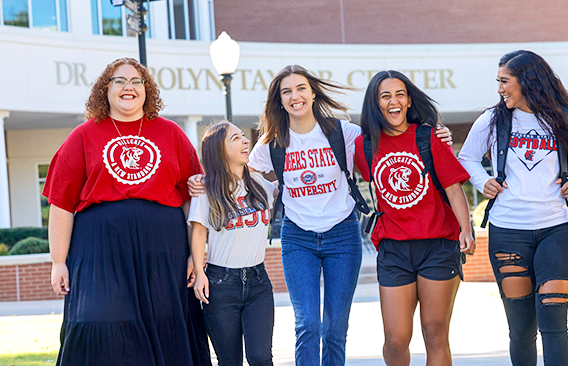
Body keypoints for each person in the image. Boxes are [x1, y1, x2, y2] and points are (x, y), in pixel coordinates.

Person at [187, 65, 452, 366]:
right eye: (286, 91)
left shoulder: (344, 133)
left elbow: (394, 140)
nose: (294, 96)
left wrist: (435, 133)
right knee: (308, 324)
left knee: (335, 327)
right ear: (280, 100)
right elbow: (235, 173)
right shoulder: (270, 144)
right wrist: (202, 180)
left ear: (312, 93)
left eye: (301, 88)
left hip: (343, 235)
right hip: (298, 237)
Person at [45, 57, 211, 365]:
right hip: (99, 249)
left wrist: (195, 256)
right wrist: (58, 261)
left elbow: (193, 200)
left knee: (165, 321)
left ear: (147, 90)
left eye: (136, 81)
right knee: (95, 320)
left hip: (164, 250)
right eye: (119, 81)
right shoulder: (83, 135)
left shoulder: (171, 133)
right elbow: (61, 203)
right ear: (104, 90)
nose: (128, 87)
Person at [458, 50, 568, 366]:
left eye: (504, 81)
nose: (499, 88)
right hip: (508, 232)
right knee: (522, 329)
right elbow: (467, 158)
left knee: (553, 323)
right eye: (498, 81)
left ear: (527, 81)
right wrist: (482, 180)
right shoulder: (493, 120)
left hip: (558, 230)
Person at [353, 70, 475, 366]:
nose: (393, 101)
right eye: (385, 96)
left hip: (438, 246)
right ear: (375, 103)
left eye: (400, 94)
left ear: (408, 101)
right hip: (394, 249)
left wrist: (466, 230)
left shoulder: (428, 137)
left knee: (435, 332)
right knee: (396, 340)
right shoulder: (364, 146)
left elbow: (453, 187)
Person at [189, 121, 276, 366]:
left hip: (258, 282)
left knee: (261, 358)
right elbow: (198, 232)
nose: (245, 141)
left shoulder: (260, 185)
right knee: (229, 361)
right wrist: (199, 272)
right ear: (219, 150)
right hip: (220, 285)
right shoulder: (206, 189)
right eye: (236, 138)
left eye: (242, 136)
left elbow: (291, 188)